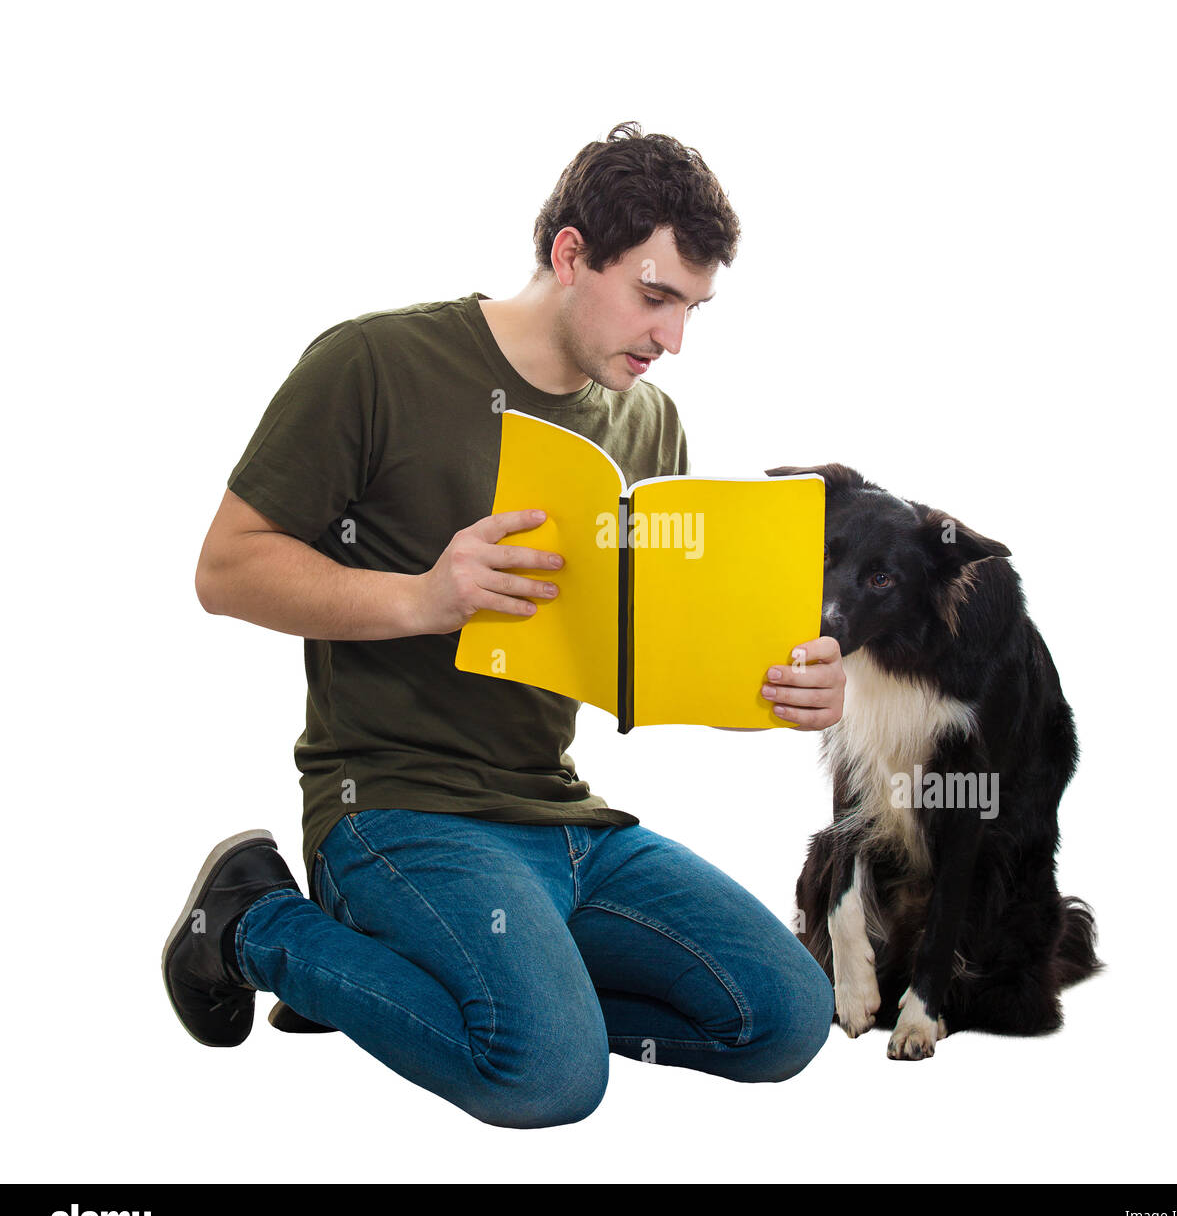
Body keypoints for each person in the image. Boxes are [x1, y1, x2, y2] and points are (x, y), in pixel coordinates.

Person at [163, 122, 845, 1127]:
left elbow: (638, 656)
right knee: (550, 1077)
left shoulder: (647, 424)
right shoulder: (375, 363)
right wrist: (422, 598)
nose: (673, 339)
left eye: (693, 309)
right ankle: (257, 925)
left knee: (788, 1016)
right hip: (393, 808)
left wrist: (779, 685)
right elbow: (225, 569)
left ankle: (396, 983)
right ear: (572, 255)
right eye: (656, 296)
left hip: (562, 820)